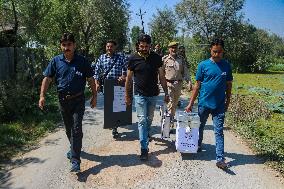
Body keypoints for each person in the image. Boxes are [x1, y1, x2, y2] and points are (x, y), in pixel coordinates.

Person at [38, 33, 97, 172]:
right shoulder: (55, 61)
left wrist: (94, 96)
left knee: (76, 129)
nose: (66, 48)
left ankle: (75, 160)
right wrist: (42, 96)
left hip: (78, 99)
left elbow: (90, 79)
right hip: (63, 100)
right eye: (64, 45)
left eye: (69, 44)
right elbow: (47, 79)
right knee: (68, 129)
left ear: (74, 45)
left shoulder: (82, 61)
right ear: (61, 46)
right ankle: (74, 148)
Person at [185, 38, 233, 169]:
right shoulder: (203, 65)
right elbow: (197, 86)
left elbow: (229, 86)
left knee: (218, 132)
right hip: (204, 104)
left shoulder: (227, 66)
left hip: (219, 105)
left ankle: (220, 159)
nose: (217, 54)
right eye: (214, 51)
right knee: (199, 127)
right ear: (210, 50)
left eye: (219, 52)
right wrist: (190, 104)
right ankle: (198, 145)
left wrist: (228, 101)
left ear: (223, 51)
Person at [125, 34, 169, 161]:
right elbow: (128, 79)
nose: (144, 48)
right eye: (141, 46)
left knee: (149, 119)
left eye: (146, 46)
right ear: (138, 45)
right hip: (139, 95)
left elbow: (161, 76)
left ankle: (147, 132)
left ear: (150, 45)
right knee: (142, 120)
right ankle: (144, 148)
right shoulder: (133, 58)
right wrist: (127, 96)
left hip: (153, 94)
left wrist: (166, 93)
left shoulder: (156, 58)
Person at [93, 40, 128, 138]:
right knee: (109, 106)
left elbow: (126, 69)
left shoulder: (121, 57)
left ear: (115, 47)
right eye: (107, 46)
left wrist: (123, 76)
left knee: (116, 106)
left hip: (118, 84)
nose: (109, 48)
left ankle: (114, 127)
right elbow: (96, 71)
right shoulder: (102, 57)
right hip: (106, 85)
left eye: (111, 46)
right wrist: (97, 83)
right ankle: (112, 123)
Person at [161, 41, 192, 123]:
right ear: (169, 49)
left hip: (178, 84)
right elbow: (161, 73)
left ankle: (170, 117)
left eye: (175, 48)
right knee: (170, 103)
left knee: (175, 104)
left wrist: (189, 81)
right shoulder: (165, 59)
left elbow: (185, 71)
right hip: (168, 84)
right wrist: (158, 84)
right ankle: (169, 123)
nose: (174, 49)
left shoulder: (181, 59)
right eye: (172, 48)